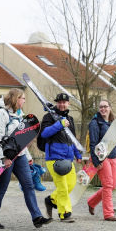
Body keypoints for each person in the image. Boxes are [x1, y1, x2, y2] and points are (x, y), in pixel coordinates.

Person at [0, 88, 52, 229]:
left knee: (28, 185)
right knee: (2, 188)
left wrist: (28, 157)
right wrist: (4, 158)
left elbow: (21, 139)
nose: (24, 101)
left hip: (20, 156)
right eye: (22, 98)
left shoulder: (19, 115)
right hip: (4, 157)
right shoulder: (1, 114)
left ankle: (37, 217)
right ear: (16, 98)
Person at [40, 93, 82, 222]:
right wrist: (60, 124)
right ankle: (65, 213)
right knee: (63, 187)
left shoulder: (70, 119)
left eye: (64, 102)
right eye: (60, 102)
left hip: (68, 158)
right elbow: (44, 133)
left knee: (71, 184)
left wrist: (78, 154)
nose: (62, 104)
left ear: (68, 104)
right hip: (54, 158)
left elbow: (72, 139)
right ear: (57, 103)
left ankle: (51, 200)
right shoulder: (48, 117)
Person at [87, 99, 116, 221]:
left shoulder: (113, 123)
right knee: (108, 185)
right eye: (100, 107)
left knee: (112, 186)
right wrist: (96, 161)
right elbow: (93, 143)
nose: (103, 109)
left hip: (113, 157)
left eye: (105, 106)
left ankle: (91, 202)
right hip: (101, 158)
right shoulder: (95, 123)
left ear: (110, 107)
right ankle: (108, 213)